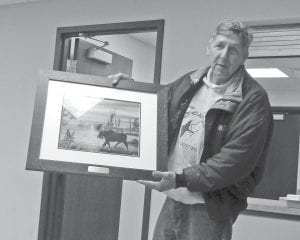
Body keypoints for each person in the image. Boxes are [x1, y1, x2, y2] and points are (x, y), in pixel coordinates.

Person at [110, 20, 273, 240]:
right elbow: (156, 109)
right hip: (174, 198)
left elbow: (235, 161)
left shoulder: (252, 99)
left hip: (209, 209)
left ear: (245, 56)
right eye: (220, 46)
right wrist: (133, 90)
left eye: (233, 50)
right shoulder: (189, 82)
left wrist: (181, 178)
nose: (224, 55)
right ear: (209, 47)